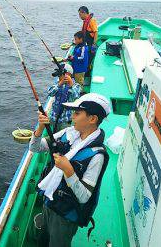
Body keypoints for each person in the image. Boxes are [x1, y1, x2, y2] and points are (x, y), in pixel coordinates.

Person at [29, 93, 111, 247]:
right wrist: (40, 128)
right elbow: (34, 147)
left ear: (92, 119)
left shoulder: (97, 156)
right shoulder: (68, 134)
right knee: (43, 239)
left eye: (77, 113)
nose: (72, 116)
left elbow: (84, 197)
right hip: (49, 200)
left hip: (66, 215)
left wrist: (69, 171)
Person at [47, 63, 81, 132]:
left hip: (65, 119)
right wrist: (59, 84)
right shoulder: (58, 83)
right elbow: (50, 93)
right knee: (54, 132)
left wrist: (71, 84)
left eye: (60, 75)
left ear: (68, 75)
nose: (59, 77)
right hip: (54, 116)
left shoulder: (76, 86)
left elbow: (76, 97)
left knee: (63, 136)